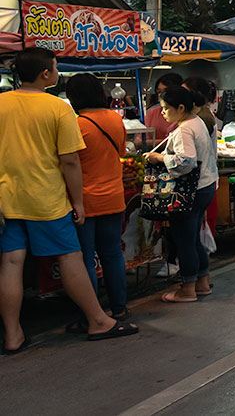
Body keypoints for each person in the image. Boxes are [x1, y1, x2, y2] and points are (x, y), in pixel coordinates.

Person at [1, 48, 138, 351]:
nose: (57, 72)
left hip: (7, 198)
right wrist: (77, 201)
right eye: (55, 67)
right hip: (46, 198)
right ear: (45, 74)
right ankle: (99, 321)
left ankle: (12, 335)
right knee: (71, 258)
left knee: (11, 262)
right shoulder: (58, 108)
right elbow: (70, 162)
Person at [147, 85, 219, 303]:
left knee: (185, 240)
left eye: (166, 108)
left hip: (190, 191)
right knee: (193, 237)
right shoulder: (196, 121)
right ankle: (202, 282)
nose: (162, 113)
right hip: (205, 187)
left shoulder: (185, 130)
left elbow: (185, 161)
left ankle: (187, 289)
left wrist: (159, 158)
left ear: (180, 107)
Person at [67, 73, 129, 321]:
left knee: (86, 259)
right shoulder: (115, 119)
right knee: (112, 253)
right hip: (114, 197)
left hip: (85, 201)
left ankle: (91, 316)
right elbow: (122, 152)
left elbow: (69, 162)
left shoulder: (77, 124)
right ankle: (120, 307)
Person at [143, 72, 184, 142]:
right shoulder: (152, 112)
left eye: (165, 92)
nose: (161, 95)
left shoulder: (184, 117)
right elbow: (139, 140)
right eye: (159, 92)